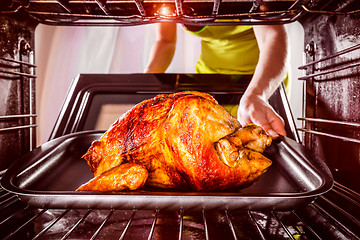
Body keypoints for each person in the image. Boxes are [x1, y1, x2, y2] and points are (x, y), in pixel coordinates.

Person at [144, 22, 288, 138]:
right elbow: (165, 40)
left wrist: (257, 94)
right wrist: (147, 77)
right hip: (209, 76)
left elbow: (272, 35)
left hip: (261, 79)